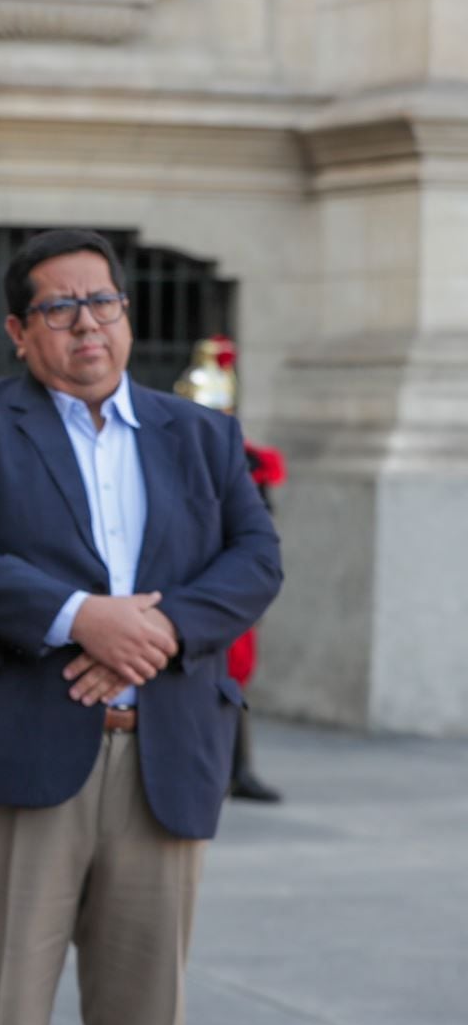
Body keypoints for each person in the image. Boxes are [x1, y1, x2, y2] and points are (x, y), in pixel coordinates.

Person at [0, 229, 283, 1025]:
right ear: (17, 330)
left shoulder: (202, 433)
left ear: (126, 314)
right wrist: (82, 616)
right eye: (59, 307)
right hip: (16, 766)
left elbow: (256, 558)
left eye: (102, 302)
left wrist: (155, 629)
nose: (87, 324)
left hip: (161, 764)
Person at [173, 335, 285, 803]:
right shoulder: (169, 454)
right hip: (178, 581)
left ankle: (237, 768)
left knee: (233, 677)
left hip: (227, 582)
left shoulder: (246, 459)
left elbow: (260, 529)